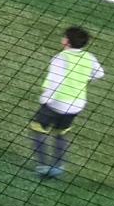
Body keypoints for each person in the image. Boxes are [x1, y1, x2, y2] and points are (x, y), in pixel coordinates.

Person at [30, 27, 104, 178]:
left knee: (38, 129)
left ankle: (43, 166)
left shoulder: (60, 58)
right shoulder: (89, 57)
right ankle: (58, 167)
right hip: (77, 104)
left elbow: (55, 81)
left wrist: (45, 100)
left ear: (66, 41)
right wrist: (81, 79)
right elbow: (99, 73)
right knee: (60, 133)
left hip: (57, 102)